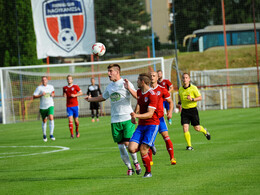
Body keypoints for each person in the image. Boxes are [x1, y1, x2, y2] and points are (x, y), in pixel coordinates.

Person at [85, 64, 141, 176]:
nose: (108, 73)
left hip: (127, 118)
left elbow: (137, 96)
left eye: (110, 71)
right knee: (121, 146)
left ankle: (136, 162)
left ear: (117, 72)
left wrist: (128, 88)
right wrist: (91, 99)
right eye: (108, 71)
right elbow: (103, 97)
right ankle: (129, 168)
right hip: (115, 120)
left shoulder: (126, 82)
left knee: (127, 144)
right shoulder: (110, 87)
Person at [128, 73, 159, 178]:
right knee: (131, 148)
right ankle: (149, 145)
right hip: (141, 125)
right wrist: (134, 115)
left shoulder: (152, 94)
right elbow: (139, 104)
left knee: (142, 149)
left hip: (152, 125)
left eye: (137, 80)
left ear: (142, 81)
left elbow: (150, 113)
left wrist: (137, 115)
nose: (136, 82)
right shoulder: (139, 92)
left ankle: (148, 172)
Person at [177, 73, 211, 150]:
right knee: (185, 127)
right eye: (183, 78)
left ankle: (205, 131)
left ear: (189, 79)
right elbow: (179, 96)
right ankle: (189, 146)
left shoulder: (193, 88)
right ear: (182, 79)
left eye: (186, 78)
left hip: (193, 110)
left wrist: (192, 99)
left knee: (197, 128)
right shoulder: (180, 89)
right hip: (184, 111)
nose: (185, 79)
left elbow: (200, 97)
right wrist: (179, 103)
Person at [149, 71, 176, 165]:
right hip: (150, 119)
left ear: (157, 78)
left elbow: (170, 102)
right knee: (149, 140)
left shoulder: (162, 89)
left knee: (166, 137)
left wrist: (170, 112)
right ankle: (150, 161)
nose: (152, 77)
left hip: (160, 118)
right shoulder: (146, 90)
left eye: (154, 76)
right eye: (151, 76)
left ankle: (172, 158)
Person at [33, 76, 55, 142]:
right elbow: (34, 96)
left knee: (51, 117)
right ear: (41, 81)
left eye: (45, 80)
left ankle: (51, 134)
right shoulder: (39, 88)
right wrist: (41, 95)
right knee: (44, 121)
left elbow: (53, 93)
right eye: (43, 80)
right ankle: (44, 134)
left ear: (47, 80)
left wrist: (52, 95)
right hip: (43, 107)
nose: (44, 81)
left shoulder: (51, 87)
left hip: (50, 105)